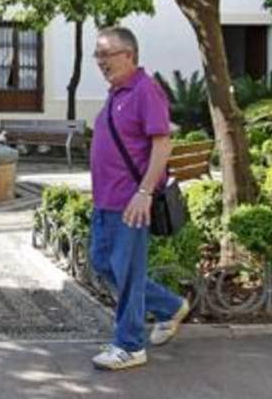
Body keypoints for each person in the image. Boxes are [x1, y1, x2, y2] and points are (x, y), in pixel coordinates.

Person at [88, 27, 189, 371]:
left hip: (131, 201)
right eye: (98, 55)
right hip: (106, 200)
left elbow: (162, 144)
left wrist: (144, 193)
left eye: (107, 54)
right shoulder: (117, 91)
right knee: (102, 263)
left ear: (129, 55)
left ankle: (130, 345)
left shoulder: (145, 90)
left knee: (128, 273)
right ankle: (171, 306)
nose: (101, 62)